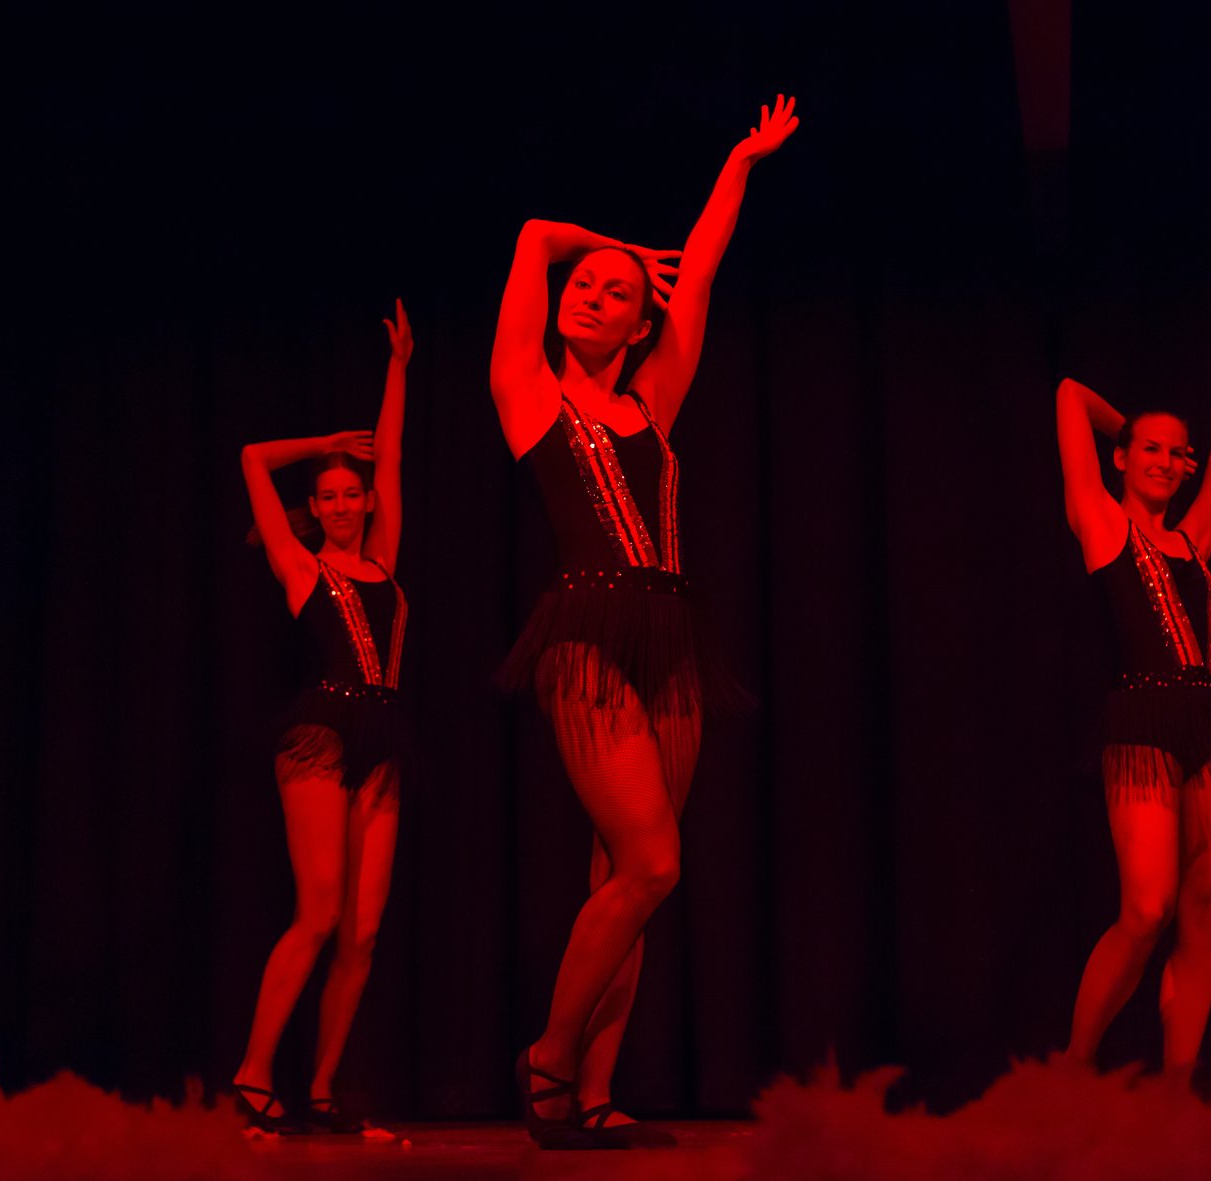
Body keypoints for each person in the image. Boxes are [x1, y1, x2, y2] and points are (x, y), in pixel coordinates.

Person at [491, 97, 798, 1148]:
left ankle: (594, 1091)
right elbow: (535, 235)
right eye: (583, 285)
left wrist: (740, 162)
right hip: (586, 634)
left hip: (670, 638)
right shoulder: (529, 391)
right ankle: (547, 1056)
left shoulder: (655, 400)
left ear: (640, 325)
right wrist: (609, 243)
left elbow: (699, 273)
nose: (590, 293)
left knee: (625, 877)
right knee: (653, 862)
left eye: (616, 291)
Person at [1053, 311, 1211, 1085]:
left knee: (1204, 911)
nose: (1169, 462)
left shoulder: (1195, 537)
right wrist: (1131, 428)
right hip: (1142, 723)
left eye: (1179, 453)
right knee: (1147, 909)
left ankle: (1179, 1086)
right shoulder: (1102, 524)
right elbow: (1069, 394)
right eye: (1151, 449)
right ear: (1121, 458)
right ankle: (1074, 1068)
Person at [231, 300, 414, 1135]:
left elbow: (394, 455)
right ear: (317, 504)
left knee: (364, 932)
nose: (341, 505)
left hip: (383, 739)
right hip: (322, 737)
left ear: (368, 502)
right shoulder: (303, 568)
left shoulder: (385, 560)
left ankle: (323, 1087)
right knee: (320, 913)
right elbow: (251, 458)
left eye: (352, 494)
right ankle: (253, 1075)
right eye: (329, 497)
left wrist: (398, 371)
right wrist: (325, 443)